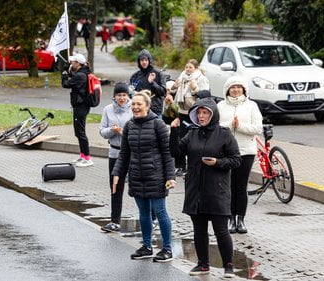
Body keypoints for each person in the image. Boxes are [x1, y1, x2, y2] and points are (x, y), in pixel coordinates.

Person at [170, 98, 241, 278]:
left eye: (205, 113)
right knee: (199, 230)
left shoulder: (224, 134)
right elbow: (176, 153)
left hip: (217, 189)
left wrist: (217, 162)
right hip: (195, 188)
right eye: (199, 113)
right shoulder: (192, 133)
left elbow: (236, 159)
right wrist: (174, 132)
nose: (201, 117)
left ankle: (228, 266)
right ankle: (203, 264)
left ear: (213, 114)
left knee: (221, 230)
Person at [112, 90, 176, 262]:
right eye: (133, 104)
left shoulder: (158, 125)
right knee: (143, 213)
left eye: (139, 104)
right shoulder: (129, 126)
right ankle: (147, 247)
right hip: (136, 176)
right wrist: (117, 173)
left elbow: (167, 153)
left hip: (156, 176)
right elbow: (124, 154)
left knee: (160, 212)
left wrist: (171, 177)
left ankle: (167, 249)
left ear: (147, 106)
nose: (135, 107)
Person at [217, 76, 263, 234]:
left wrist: (240, 126)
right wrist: (230, 125)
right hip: (226, 153)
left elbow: (258, 128)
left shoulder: (252, 106)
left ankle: (241, 219)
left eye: (239, 87)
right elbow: (215, 127)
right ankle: (230, 219)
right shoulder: (220, 106)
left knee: (241, 187)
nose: (236, 90)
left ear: (244, 89)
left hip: (246, 151)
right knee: (228, 186)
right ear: (227, 90)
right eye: (232, 87)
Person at [99, 82, 132, 232]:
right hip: (114, 152)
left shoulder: (134, 109)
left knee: (139, 187)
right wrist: (112, 130)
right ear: (114, 96)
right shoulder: (108, 110)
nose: (122, 98)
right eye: (119, 95)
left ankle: (152, 218)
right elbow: (102, 131)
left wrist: (122, 132)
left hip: (131, 153)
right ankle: (115, 221)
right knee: (115, 187)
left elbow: (136, 133)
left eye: (124, 95)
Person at [169, 59, 209, 176]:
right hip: (182, 112)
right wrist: (174, 87)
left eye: (190, 67)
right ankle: (180, 166)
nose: (187, 69)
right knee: (181, 140)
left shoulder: (201, 78)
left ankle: (194, 166)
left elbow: (206, 96)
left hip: (195, 113)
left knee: (194, 140)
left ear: (196, 68)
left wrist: (194, 88)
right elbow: (172, 92)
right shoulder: (182, 77)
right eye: (186, 67)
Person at [61, 53, 93, 167]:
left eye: (73, 62)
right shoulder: (83, 73)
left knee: (80, 132)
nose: (71, 64)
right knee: (78, 132)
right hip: (80, 106)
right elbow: (74, 79)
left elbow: (66, 84)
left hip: (81, 106)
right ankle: (82, 156)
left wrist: (64, 74)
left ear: (78, 63)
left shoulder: (81, 75)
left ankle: (88, 158)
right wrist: (69, 71)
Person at [129, 49, 167, 116]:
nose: (144, 62)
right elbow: (130, 92)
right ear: (139, 62)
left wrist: (152, 83)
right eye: (142, 60)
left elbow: (163, 92)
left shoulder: (158, 73)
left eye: (146, 60)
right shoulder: (135, 76)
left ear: (149, 61)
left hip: (155, 110)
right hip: (139, 110)